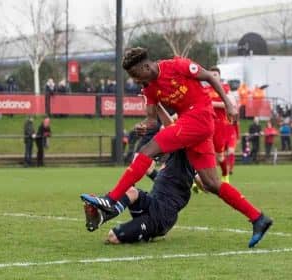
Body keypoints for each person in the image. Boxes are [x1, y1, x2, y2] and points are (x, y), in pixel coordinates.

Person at [81, 47, 272, 248]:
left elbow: (209, 77)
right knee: (211, 183)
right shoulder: (149, 89)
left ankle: (111, 200)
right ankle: (258, 218)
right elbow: (152, 120)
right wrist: (144, 125)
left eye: (136, 75)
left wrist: (229, 104)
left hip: (200, 117)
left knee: (147, 151)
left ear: (146, 66)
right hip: (192, 126)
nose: (136, 81)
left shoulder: (177, 65)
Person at [84, 149, 195, 244]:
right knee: (131, 191)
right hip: (153, 203)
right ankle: (101, 217)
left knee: (113, 237)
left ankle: (153, 233)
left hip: (161, 216)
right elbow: (151, 171)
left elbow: (205, 181)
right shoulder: (169, 165)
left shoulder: (183, 162)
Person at [206, 66, 233, 182]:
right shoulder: (205, 89)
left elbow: (229, 103)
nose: (213, 77)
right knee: (204, 154)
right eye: (211, 75)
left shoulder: (225, 89)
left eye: (215, 75)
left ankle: (225, 175)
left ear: (220, 77)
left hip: (220, 126)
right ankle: (202, 180)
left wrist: (212, 103)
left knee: (220, 156)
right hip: (206, 125)